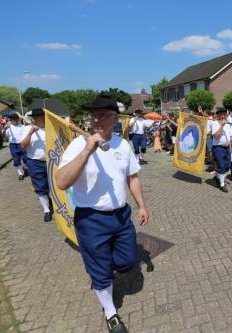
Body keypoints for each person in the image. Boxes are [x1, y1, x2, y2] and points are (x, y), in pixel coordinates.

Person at [56, 95, 149, 333]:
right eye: (94, 115)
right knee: (100, 270)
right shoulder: (78, 145)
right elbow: (62, 181)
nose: (97, 119)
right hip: (91, 219)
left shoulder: (123, 144)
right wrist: (88, 149)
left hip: (121, 217)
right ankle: (111, 313)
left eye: (104, 115)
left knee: (127, 261)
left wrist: (142, 206)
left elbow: (132, 178)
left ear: (115, 119)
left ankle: (102, 274)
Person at [19, 109, 52, 222]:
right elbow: (23, 145)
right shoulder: (27, 129)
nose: (43, 118)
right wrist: (31, 133)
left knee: (52, 185)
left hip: (50, 162)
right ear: (34, 118)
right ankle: (47, 210)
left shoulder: (51, 128)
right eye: (40, 116)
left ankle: (53, 202)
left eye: (44, 116)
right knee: (40, 186)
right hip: (34, 162)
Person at [209, 109, 232, 193]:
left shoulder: (228, 125)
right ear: (218, 116)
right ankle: (222, 184)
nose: (223, 116)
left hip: (226, 148)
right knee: (221, 165)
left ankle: (218, 177)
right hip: (218, 147)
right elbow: (216, 136)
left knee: (227, 165)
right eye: (221, 115)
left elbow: (231, 136)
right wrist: (221, 126)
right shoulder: (214, 124)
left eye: (224, 115)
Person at [2, 111, 28, 180]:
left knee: (26, 158)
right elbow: (4, 137)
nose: (14, 120)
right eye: (12, 119)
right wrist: (4, 129)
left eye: (16, 118)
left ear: (18, 119)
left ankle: (25, 168)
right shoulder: (8, 127)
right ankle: (20, 174)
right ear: (10, 119)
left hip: (22, 144)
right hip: (13, 145)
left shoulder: (23, 126)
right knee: (16, 160)